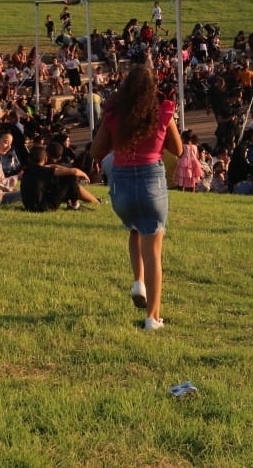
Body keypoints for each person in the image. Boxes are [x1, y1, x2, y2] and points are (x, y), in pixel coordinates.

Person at [90, 66, 183, 331]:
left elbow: (97, 151)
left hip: (122, 184)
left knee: (134, 227)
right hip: (151, 181)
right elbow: (177, 149)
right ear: (153, 88)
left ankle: (137, 282)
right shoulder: (162, 111)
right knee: (154, 250)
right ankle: (153, 318)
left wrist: (118, 139)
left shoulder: (114, 114)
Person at [21, 141, 100, 211]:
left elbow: (50, 167)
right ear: (45, 159)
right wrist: (84, 174)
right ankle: (75, 205)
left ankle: (94, 201)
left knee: (58, 182)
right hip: (42, 206)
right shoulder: (44, 171)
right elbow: (74, 172)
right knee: (70, 176)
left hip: (29, 206)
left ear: (29, 159)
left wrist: (53, 166)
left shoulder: (28, 171)